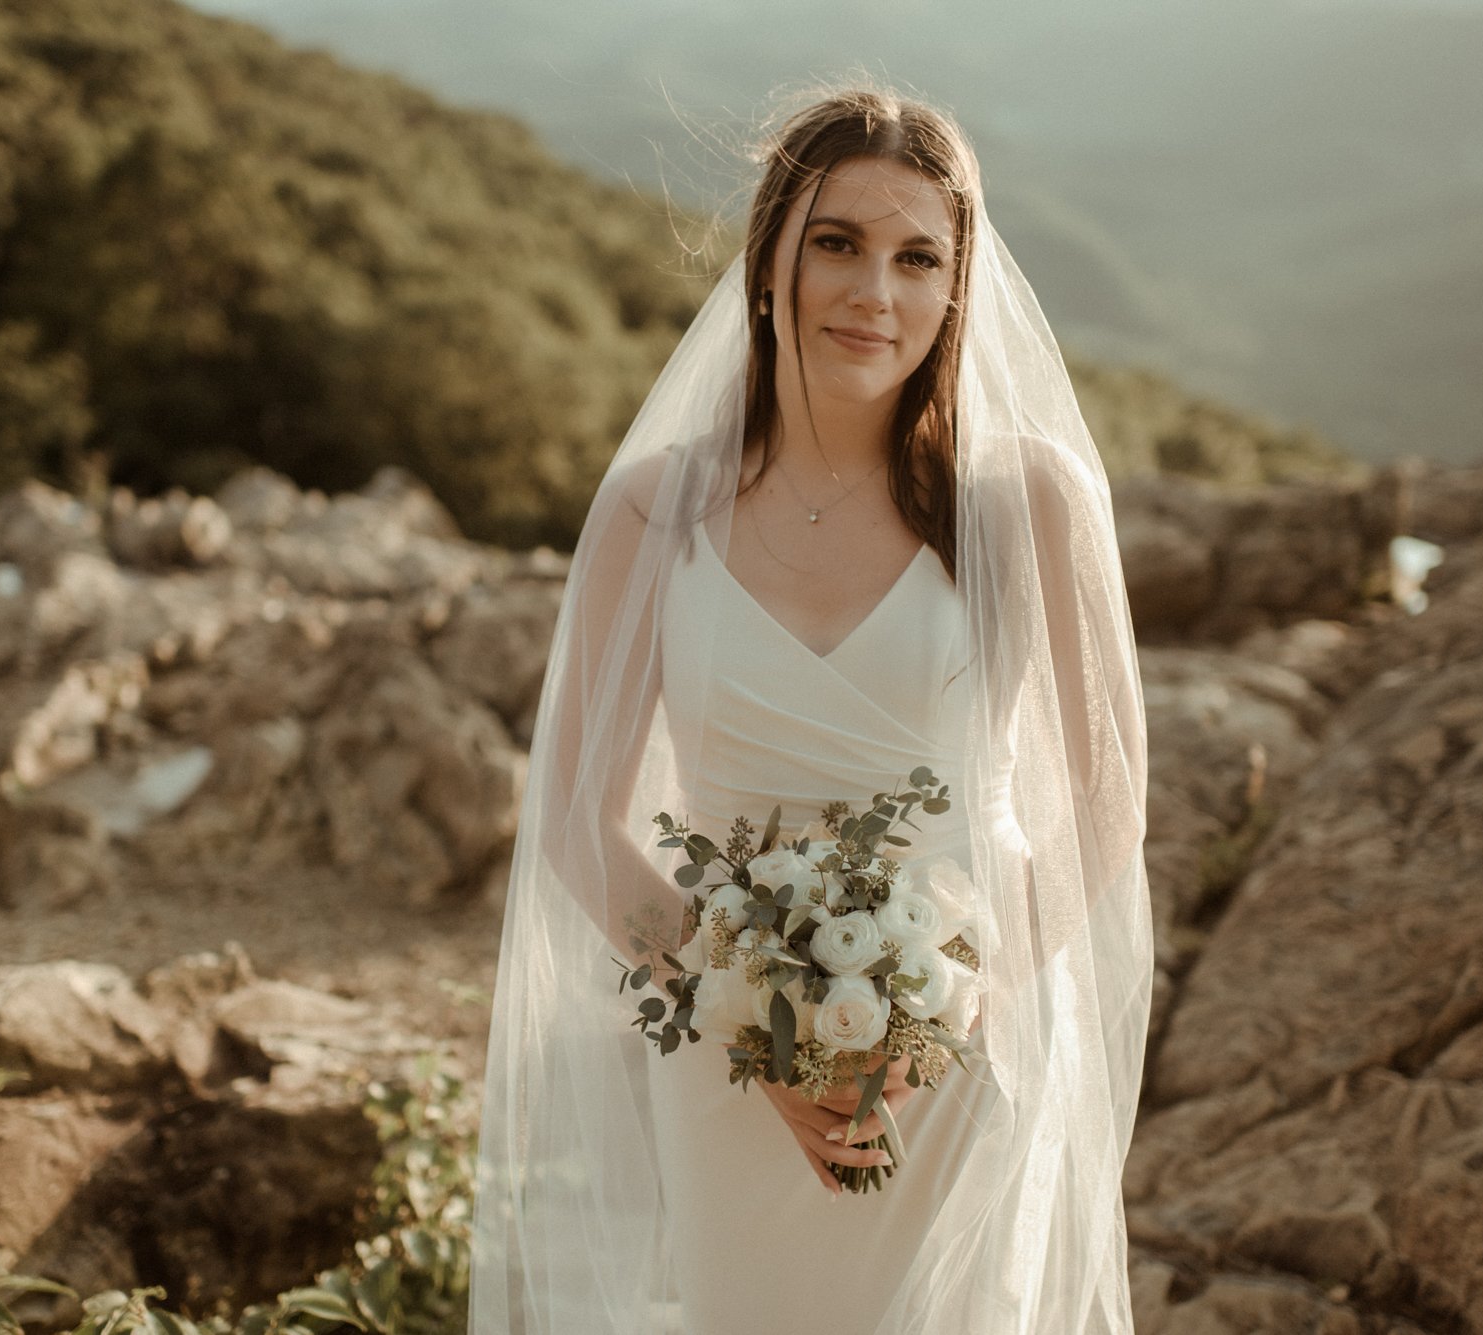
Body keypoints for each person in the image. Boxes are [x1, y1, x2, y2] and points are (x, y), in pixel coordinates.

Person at [471, 86, 1153, 1334]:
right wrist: (741, 1013)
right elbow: (577, 810)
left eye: (916, 259)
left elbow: (1107, 796)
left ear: (956, 290)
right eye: (836, 242)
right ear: (770, 253)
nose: (871, 294)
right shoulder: (652, 511)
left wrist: (959, 998)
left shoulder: (1025, 506)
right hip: (730, 1072)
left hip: (959, 1051)